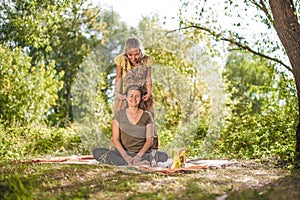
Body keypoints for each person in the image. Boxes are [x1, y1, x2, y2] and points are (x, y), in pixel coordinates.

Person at [93, 85, 168, 166]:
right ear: (126, 97)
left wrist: (138, 157)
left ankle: (131, 163)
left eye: (137, 96)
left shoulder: (147, 116)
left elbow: (150, 140)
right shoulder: (119, 115)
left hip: (142, 154)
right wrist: (126, 157)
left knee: (163, 156)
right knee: (97, 152)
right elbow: (115, 139)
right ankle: (129, 163)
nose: (133, 99)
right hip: (122, 154)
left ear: (141, 98)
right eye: (131, 96)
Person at [113, 36, 158, 149]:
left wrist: (149, 92)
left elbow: (148, 78)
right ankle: (120, 150)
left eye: (136, 54)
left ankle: (150, 151)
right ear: (126, 53)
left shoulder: (147, 60)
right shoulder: (121, 60)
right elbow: (118, 78)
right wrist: (118, 92)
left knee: (148, 119)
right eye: (130, 55)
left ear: (140, 51)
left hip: (142, 94)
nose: (134, 58)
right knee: (122, 119)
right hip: (127, 94)